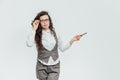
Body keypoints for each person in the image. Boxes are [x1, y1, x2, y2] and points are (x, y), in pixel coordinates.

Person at [26, 11, 81, 80]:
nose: (45, 22)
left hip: (55, 66)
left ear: (49, 21)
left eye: (46, 20)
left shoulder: (56, 33)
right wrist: (34, 28)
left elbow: (62, 48)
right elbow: (29, 44)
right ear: (39, 22)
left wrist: (72, 40)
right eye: (42, 20)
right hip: (41, 66)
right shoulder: (37, 34)